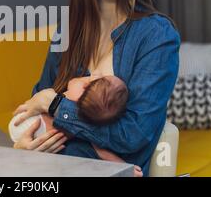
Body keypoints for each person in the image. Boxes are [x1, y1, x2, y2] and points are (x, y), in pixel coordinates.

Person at [11, 0, 180, 177]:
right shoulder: (68, 30)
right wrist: (23, 147)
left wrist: (55, 105)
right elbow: (34, 105)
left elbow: (133, 135)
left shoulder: (157, 35)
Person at [9, 75, 143, 177]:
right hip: (40, 137)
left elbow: (72, 82)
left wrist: (90, 78)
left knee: (48, 92)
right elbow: (101, 151)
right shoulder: (87, 127)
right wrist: (126, 167)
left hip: (27, 123)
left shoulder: (76, 93)